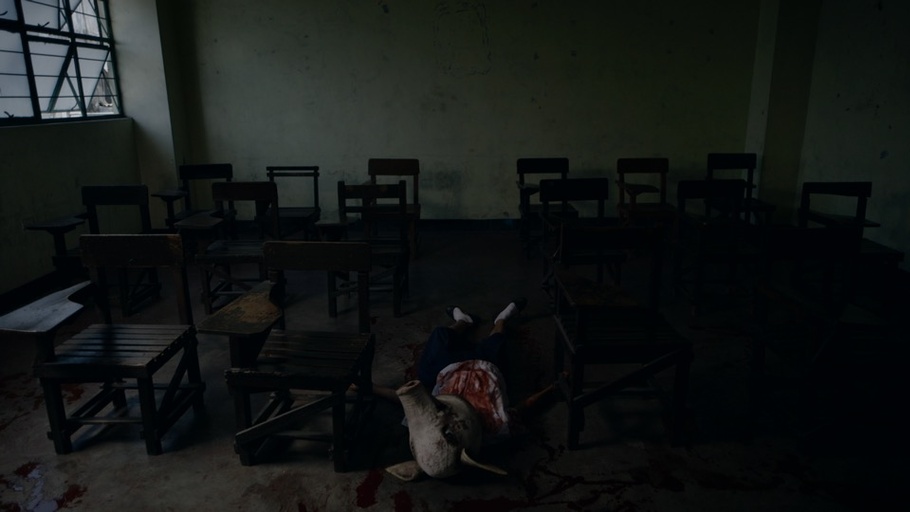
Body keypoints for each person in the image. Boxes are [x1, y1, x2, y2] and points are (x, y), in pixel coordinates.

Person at [373, 298, 529, 443]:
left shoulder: (432, 418)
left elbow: (406, 398)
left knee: (439, 335)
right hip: (485, 367)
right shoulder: (495, 426)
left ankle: (464, 321)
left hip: (446, 369)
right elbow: (524, 407)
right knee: (496, 343)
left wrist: (371, 387)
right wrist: (547, 390)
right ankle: (501, 320)